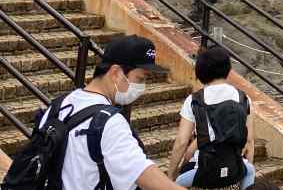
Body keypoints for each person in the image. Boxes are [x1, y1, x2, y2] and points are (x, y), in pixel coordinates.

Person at [32, 35, 179, 190]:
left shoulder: (59, 104)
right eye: (140, 78)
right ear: (115, 73)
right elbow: (144, 173)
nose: (142, 87)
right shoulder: (110, 122)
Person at [166, 45, 256, 189]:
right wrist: (243, 170)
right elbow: (250, 142)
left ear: (200, 72)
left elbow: (182, 143)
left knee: (177, 183)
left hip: (205, 172)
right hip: (234, 168)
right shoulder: (244, 98)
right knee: (250, 171)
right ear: (228, 69)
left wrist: (171, 176)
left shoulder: (194, 100)